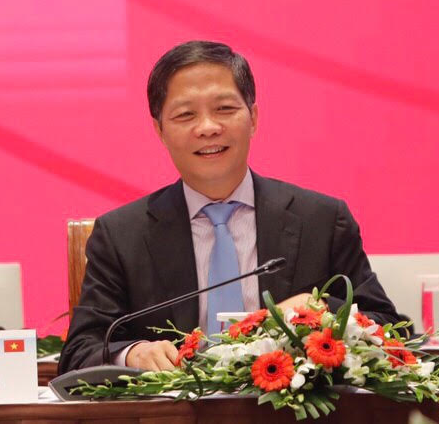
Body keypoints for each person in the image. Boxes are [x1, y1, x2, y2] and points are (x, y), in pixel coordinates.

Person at [59, 40, 405, 373]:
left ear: (253, 117)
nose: (208, 128)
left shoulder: (321, 221)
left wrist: (319, 313)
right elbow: (80, 350)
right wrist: (133, 353)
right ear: (159, 130)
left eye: (224, 109)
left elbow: (391, 331)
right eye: (185, 114)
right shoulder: (122, 236)